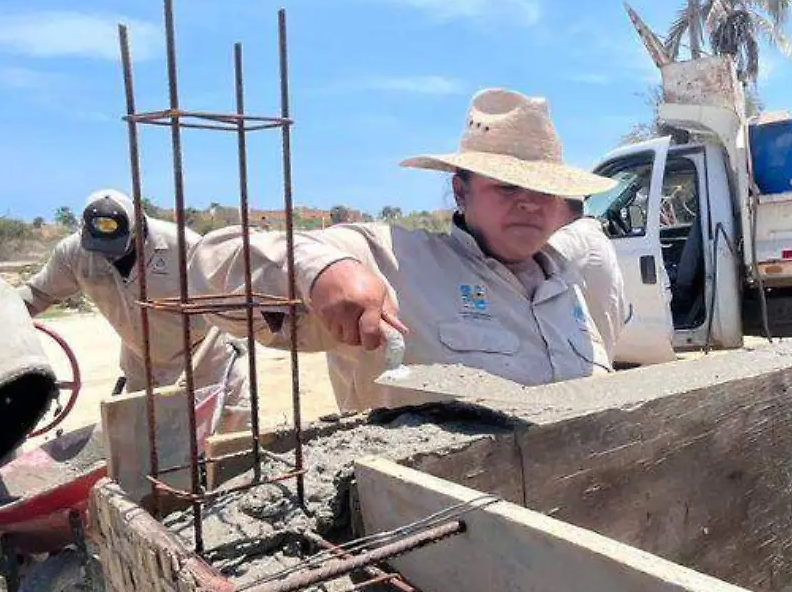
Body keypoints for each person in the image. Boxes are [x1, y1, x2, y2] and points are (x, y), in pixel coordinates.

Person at [190, 88, 621, 412]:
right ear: (460, 191)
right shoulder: (392, 260)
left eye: (544, 190)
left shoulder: (567, 287)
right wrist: (324, 271)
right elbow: (215, 262)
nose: (529, 202)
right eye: (507, 186)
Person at [18, 190, 252, 431]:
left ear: (137, 228)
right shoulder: (74, 253)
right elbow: (37, 294)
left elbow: (232, 294)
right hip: (141, 364)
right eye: (100, 248)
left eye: (118, 246)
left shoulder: (183, 246)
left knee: (226, 443)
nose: (109, 255)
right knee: (151, 446)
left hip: (204, 360)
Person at [552, 198, 628, 363]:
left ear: (558, 205)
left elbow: (528, 259)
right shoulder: (594, 236)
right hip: (599, 352)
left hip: (582, 360)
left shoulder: (574, 237)